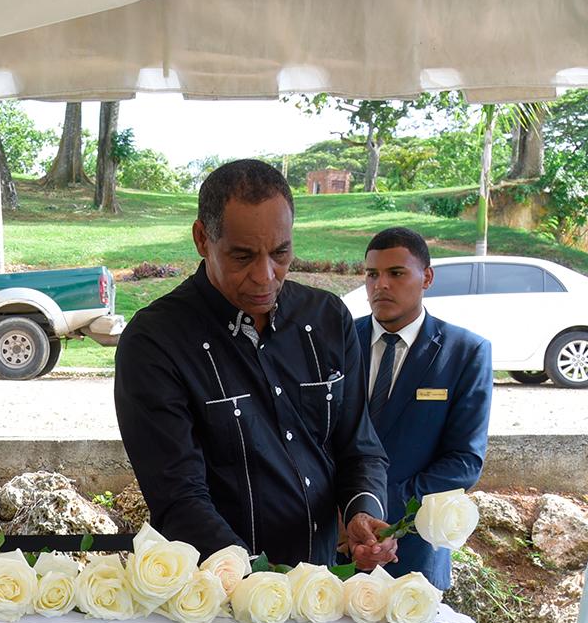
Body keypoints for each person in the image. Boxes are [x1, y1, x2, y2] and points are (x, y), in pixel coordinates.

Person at [114, 159, 395, 568]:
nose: (265, 276)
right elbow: (179, 497)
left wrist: (362, 512)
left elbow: (359, 448)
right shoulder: (156, 342)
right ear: (201, 238)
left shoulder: (328, 317)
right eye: (242, 256)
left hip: (324, 585)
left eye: (281, 253)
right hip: (216, 597)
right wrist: (258, 580)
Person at [355, 227, 492, 588]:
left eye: (396, 273)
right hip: (332, 552)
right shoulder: (336, 342)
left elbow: (464, 461)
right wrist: (347, 512)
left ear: (426, 277)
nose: (380, 285)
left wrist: (378, 509)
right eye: (372, 274)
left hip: (413, 556)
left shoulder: (465, 353)